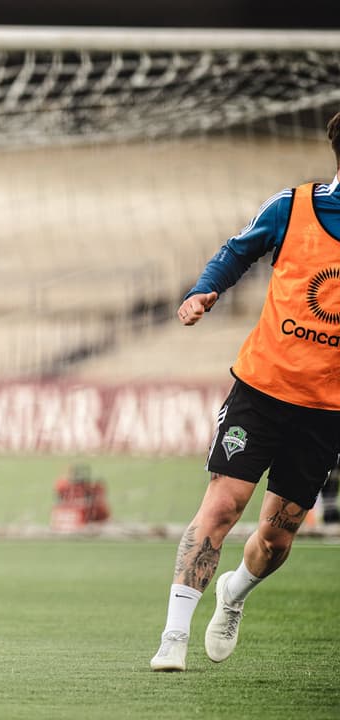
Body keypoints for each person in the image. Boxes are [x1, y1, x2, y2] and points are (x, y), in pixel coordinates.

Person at [149, 111, 340, 672]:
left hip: (326, 409)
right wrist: (205, 291)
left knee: (277, 540)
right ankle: (173, 636)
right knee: (223, 505)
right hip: (262, 389)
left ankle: (233, 594)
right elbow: (237, 250)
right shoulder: (292, 206)